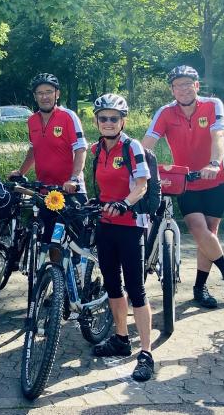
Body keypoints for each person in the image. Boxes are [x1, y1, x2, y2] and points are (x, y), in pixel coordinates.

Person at [141, 65, 224, 309]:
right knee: (197, 228)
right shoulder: (166, 112)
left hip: (216, 178)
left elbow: (219, 136)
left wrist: (214, 163)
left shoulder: (213, 104)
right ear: (172, 90)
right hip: (187, 181)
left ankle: (199, 288)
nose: (183, 89)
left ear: (197, 86)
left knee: (210, 233)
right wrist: (138, 166)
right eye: (177, 85)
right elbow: (148, 143)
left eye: (187, 84)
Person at [86, 93, 156, 382]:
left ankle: (147, 353)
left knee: (136, 289)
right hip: (105, 224)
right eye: (103, 118)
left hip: (129, 225)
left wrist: (124, 204)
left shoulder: (132, 147)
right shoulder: (96, 150)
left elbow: (141, 185)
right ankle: (121, 338)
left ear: (122, 121)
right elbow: (97, 187)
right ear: (97, 121)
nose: (108, 122)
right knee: (113, 286)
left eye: (114, 118)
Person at [9, 73, 88, 259]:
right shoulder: (32, 120)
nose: (44, 96)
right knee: (50, 241)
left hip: (70, 190)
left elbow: (81, 149)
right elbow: (33, 149)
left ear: (57, 94)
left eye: (49, 92)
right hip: (46, 191)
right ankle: (54, 281)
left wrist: (74, 178)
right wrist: (21, 172)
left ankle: (78, 281)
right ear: (35, 96)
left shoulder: (69, 116)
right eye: (40, 93)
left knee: (78, 245)